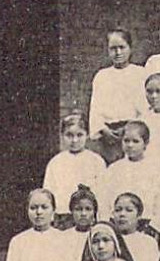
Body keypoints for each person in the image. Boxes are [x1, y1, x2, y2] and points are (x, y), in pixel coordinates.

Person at [89, 28, 147, 160]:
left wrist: (130, 129)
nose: (118, 52)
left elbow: (145, 108)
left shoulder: (140, 74)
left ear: (130, 48)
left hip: (133, 132)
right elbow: (95, 109)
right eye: (113, 48)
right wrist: (104, 130)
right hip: (108, 136)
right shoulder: (102, 76)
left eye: (122, 47)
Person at [45, 114, 107, 221]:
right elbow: (48, 193)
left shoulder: (96, 161)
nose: (74, 140)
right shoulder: (55, 163)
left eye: (79, 135)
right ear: (62, 135)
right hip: (63, 216)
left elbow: (103, 192)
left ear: (87, 135)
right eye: (69, 135)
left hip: (87, 216)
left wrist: (101, 218)